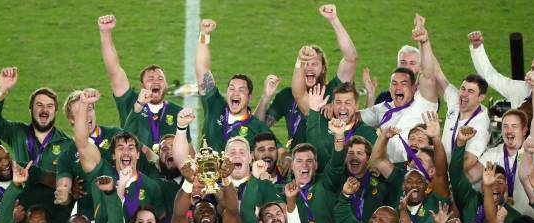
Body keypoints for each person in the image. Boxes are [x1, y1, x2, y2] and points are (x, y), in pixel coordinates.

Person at [0, 67, 73, 223]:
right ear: (30, 109)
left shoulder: (68, 144)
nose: (44, 110)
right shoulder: (17, 132)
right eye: (39, 105)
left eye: (49, 106)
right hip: (22, 217)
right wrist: (2, 90)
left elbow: (73, 183)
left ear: (55, 111)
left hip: (55, 220)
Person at [257, 4, 358, 149]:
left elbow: (351, 58)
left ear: (323, 69)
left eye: (314, 64)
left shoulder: (335, 90)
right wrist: (265, 97)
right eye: (306, 63)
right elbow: (260, 127)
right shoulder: (286, 95)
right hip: (297, 160)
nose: (309, 68)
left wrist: (334, 20)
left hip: (330, 155)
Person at [72, 90, 165, 223]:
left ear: (138, 154)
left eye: (131, 148)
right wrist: (84, 104)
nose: (126, 152)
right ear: (113, 155)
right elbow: (82, 143)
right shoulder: (103, 176)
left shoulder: (151, 186)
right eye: (120, 148)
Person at [98, 14, 189, 145]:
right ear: (142, 85)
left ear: (166, 84)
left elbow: (187, 148)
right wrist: (105, 33)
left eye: (160, 78)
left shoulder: (178, 112)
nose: (156, 81)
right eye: (150, 78)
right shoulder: (129, 101)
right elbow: (114, 70)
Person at [358, 21, 438, 164]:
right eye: (394, 83)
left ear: (414, 87)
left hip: (417, 166)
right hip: (388, 169)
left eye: (404, 83)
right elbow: (356, 118)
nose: (398, 87)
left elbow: (429, 75)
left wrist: (424, 42)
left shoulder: (424, 101)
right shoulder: (382, 106)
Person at [195, 18, 275, 152]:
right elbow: (202, 68)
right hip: (206, 171)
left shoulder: (255, 125)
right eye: (231, 88)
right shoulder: (214, 105)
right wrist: (204, 35)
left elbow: (276, 151)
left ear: (249, 97)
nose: (235, 93)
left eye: (241, 90)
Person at [371, 112, 451, 223]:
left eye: (419, 161)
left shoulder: (438, 191)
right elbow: (378, 161)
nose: (413, 162)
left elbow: (441, 173)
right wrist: (384, 137)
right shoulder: (402, 178)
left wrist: (436, 139)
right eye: (414, 158)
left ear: (431, 171)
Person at [55, 89, 122, 220]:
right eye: (80, 111)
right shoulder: (66, 155)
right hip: (90, 219)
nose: (86, 114)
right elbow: (64, 187)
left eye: (89, 108)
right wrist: (64, 194)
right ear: (72, 119)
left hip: (121, 208)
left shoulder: (116, 134)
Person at [450, 129, 521, 223]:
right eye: (489, 181)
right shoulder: (471, 199)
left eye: (500, 181)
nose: (495, 185)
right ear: (482, 185)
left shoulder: (513, 217)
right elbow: (456, 176)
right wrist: (460, 144)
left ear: (506, 187)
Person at [305, 82, 377, 165]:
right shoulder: (320, 124)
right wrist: (314, 110)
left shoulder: (366, 131)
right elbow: (313, 151)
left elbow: (375, 162)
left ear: (356, 105)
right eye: (338, 102)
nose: (342, 107)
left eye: (347, 103)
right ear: (332, 104)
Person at [468, 31, 534, 109]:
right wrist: (477, 47)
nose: (530, 73)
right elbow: (489, 76)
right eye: (532, 68)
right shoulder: (521, 90)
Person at [435, 71, 490, 166]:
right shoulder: (456, 103)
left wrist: (435, 138)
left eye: (470, 91)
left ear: (480, 97)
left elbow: (466, 164)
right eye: (463, 89)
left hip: (458, 177)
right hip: (442, 170)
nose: (464, 94)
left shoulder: (481, 127)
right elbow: (438, 73)